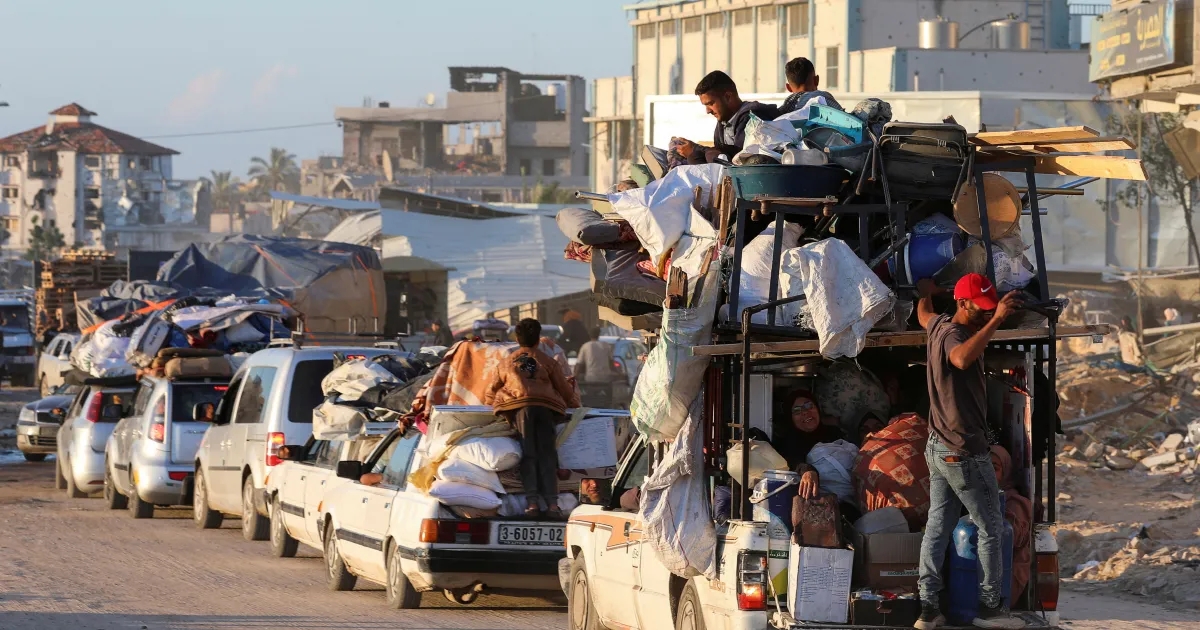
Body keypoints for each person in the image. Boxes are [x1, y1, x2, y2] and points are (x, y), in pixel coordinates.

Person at [915, 273, 1025, 630]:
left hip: (937, 446)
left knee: (938, 526)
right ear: (963, 304)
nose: (986, 313)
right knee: (992, 526)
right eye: (982, 309)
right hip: (962, 451)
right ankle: (990, 608)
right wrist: (996, 322)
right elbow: (961, 359)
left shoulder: (936, 324)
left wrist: (925, 293)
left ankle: (928, 609)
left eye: (990, 309)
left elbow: (923, 312)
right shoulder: (953, 335)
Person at [485, 318, 581, 519]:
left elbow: (491, 392)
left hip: (520, 410)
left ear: (517, 339)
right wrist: (576, 407)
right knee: (547, 455)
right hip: (546, 410)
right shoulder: (548, 362)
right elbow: (565, 392)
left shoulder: (505, 363)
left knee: (528, 454)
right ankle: (553, 505)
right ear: (538, 339)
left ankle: (532, 504)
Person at [692, 70, 781, 162]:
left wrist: (697, 148)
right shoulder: (722, 123)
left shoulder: (753, 119)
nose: (708, 111)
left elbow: (742, 155)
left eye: (711, 103)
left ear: (728, 96)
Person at [772, 390, 843, 500]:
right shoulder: (788, 442)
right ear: (790, 418)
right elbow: (792, 459)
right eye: (796, 410)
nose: (805, 412)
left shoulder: (835, 434)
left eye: (809, 405)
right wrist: (807, 470)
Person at [990, 445, 1033, 603]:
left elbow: (1008, 541)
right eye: (983, 468)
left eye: (994, 468)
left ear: (1006, 471)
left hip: (1007, 581)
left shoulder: (1015, 504)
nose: (987, 474)